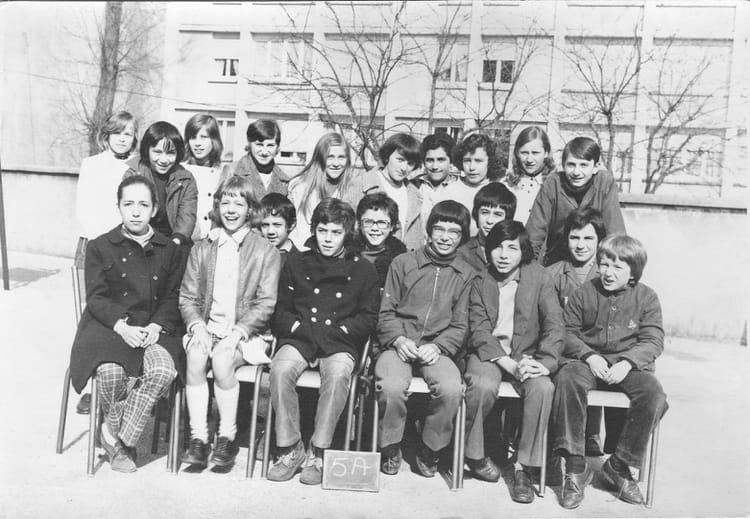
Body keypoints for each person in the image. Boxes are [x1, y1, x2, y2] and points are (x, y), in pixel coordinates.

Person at [69, 175, 184, 473]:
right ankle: (120, 443)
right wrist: (121, 327)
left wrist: (156, 326)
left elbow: (173, 296)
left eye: (143, 205)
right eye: (128, 204)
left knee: (163, 370)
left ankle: (115, 435)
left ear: (154, 209)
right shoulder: (100, 246)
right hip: (109, 327)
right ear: (118, 207)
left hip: (153, 329)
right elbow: (96, 298)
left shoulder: (169, 249)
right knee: (110, 372)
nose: (135, 212)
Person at [268, 198, 380, 485]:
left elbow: (368, 318)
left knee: (340, 373)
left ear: (347, 233)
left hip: (339, 341)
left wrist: (340, 332)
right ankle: (291, 448)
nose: (328, 239)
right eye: (322, 231)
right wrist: (298, 328)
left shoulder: (363, 269)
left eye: (336, 232)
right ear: (314, 230)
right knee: (280, 369)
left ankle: (319, 450)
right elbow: (282, 310)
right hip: (301, 337)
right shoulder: (297, 262)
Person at [551, 234, 668, 509]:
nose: (607, 272)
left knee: (653, 394)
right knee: (567, 379)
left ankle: (619, 464)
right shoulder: (584, 293)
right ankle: (575, 466)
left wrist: (628, 362)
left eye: (617, 267)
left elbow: (653, 340)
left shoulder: (647, 297)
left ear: (633, 272)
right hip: (588, 363)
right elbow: (567, 332)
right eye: (604, 264)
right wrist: (589, 355)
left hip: (628, 366)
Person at [179, 176, 281, 470]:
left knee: (223, 361)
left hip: (247, 334)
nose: (231, 210)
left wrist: (237, 334)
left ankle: (227, 436)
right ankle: (199, 438)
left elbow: (266, 303)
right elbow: (188, 296)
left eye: (239, 203)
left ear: (250, 209)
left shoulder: (265, 250)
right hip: (208, 328)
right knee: (196, 356)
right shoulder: (203, 247)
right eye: (226, 203)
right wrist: (198, 326)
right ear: (217, 207)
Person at [463, 221, 563, 502]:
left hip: (528, 354)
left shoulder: (540, 278)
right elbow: (478, 329)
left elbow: (555, 325)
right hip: (490, 354)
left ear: (523, 251)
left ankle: (524, 468)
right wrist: (505, 361)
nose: (504, 255)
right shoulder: (480, 280)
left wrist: (544, 362)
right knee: (481, 384)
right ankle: (475, 455)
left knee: (542, 388)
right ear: (488, 250)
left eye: (512, 248)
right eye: (497, 247)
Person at [375, 200, 474, 478]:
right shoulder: (403, 263)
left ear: (462, 237)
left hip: (437, 348)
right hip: (399, 344)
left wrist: (439, 346)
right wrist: (398, 339)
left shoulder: (465, 274)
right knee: (391, 386)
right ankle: (390, 445)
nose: (445, 237)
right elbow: (385, 312)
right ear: (428, 231)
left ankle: (431, 447)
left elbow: (461, 324)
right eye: (439, 229)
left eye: (454, 232)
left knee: (452, 388)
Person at [73, 110, 139, 415]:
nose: (123, 139)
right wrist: (105, 246)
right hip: (94, 245)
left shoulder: (134, 167)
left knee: (122, 313)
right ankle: (90, 385)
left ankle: (116, 380)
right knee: (92, 314)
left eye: (129, 134)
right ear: (107, 135)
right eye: (118, 133)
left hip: (125, 249)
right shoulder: (92, 164)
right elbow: (84, 210)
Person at [547, 207, 616, 458]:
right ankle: (563, 445)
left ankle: (593, 435)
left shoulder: (608, 274)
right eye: (574, 237)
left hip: (599, 350)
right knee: (567, 375)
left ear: (599, 241)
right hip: (564, 348)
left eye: (588, 238)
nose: (580, 245)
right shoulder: (552, 274)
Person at [526, 136, 626, 266]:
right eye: (571, 165)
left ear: (596, 167)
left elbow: (615, 234)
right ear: (563, 165)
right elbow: (534, 234)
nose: (576, 172)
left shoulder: (604, 182)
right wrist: (530, 270)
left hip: (594, 259)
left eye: (584, 165)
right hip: (558, 258)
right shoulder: (552, 184)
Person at [124, 121, 198, 258]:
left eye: (170, 153)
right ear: (147, 150)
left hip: (175, 242)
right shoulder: (133, 174)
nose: (163, 160)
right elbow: (131, 213)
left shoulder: (186, 179)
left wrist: (174, 243)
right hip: (140, 240)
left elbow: (187, 215)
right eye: (157, 152)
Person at [343, 133, 424, 251]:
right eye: (400, 160)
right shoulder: (362, 185)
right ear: (387, 156)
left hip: (406, 259)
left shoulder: (415, 193)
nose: (404, 168)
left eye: (410, 163)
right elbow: (346, 228)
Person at [287, 133, 357, 248]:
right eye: (330, 157)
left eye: (341, 157)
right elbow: (298, 231)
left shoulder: (352, 188)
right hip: (304, 251)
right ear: (320, 158)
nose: (336, 164)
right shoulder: (301, 187)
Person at [435, 132, 502, 236]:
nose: (471, 167)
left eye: (478, 161)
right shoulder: (449, 191)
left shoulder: (498, 191)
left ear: (490, 162)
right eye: (467, 161)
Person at [183, 113, 231, 242]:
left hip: (216, 239)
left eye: (203, 137)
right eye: (193, 138)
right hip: (187, 239)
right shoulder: (181, 171)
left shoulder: (224, 172)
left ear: (214, 140)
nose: (197, 144)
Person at [457, 182, 517, 273]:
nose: (489, 220)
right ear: (476, 214)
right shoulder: (462, 251)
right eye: (485, 212)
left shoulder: (515, 252)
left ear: (507, 218)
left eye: (497, 214)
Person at [502, 126, 555, 224]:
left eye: (535, 153)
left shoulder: (554, 185)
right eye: (524, 153)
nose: (529, 160)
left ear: (546, 153)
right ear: (517, 153)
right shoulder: (507, 185)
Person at [354, 193, 407, 288]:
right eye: (368, 222)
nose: (375, 228)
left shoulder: (402, 259)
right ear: (360, 224)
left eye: (382, 223)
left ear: (392, 226)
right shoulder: (347, 255)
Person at [229, 119, 291, 197]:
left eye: (270, 145)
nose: (264, 152)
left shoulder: (284, 180)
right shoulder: (232, 171)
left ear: (277, 147)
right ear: (249, 144)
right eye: (259, 145)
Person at [412, 133, 459, 229]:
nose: (435, 166)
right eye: (430, 160)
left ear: (451, 161)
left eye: (441, 160)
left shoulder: (461, 186)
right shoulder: (413, 186)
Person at [260, 193, 298, 260]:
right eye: (265, 225)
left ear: (291, 225)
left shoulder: (302, 261)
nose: (270, 231)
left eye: (277, 225)